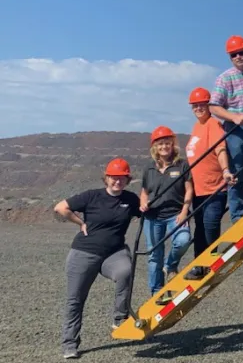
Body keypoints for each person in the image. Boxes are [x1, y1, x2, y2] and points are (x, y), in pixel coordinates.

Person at [56, 158, 140, 359]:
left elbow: (148, 211)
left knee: (125, 270)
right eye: (113, 177)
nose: (117, 181)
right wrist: (79, 222)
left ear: (127, 179)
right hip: (84, 253)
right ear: (106, 177)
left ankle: (120, 317)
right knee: (75, 299)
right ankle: (70, 344)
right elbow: (60, 208)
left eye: (122, 178)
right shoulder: (92, 196)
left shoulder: (131, 199)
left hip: (114, 253)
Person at [184, 87, 235, 280]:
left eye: (202, 105)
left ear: (209, 106)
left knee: (210, 225)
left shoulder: (214, 125)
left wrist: (225, 170)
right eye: (195, 106)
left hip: (214, 188)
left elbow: (220, 149)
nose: (198, 108)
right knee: (200, 227)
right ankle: (199, 265)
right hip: (198, 190)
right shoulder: (197, 127)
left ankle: (210, 263)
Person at [209, 35, 243, 222]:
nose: (238, 56)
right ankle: (238, 217)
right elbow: (213, 106)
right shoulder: (225, 78)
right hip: (237, 130)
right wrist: (234, 117)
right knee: (236, 173)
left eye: (241, 52)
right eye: (234, 54)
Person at [140, 126, 192, 296]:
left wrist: (184, 211)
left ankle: (170, 265)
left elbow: (189, 189)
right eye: (160, 143)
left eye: (167, 143)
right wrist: (143, 203)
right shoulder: (149, 168)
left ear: (173, 144)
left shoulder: (181, 165)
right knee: (155, 255)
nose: (164, 147)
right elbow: (145, 191)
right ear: (155, 146)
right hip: (153, 217)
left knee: (183, 240)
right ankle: (157, 292)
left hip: (175, 214)